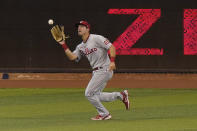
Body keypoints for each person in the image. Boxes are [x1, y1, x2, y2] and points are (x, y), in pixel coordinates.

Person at [52, 20, 130, 120]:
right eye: (78, 26)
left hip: (104, 69)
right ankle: (121, 95)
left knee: (88, 93)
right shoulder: (80, 46)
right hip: (96, 72)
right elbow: (73, 57)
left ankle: (104, 114)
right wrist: (63, 44)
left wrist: (112, 61)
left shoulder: (96, 38)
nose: (79, 28)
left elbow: (111, 47)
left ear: (88, 29)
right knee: (96, 95)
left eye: (82, 26)